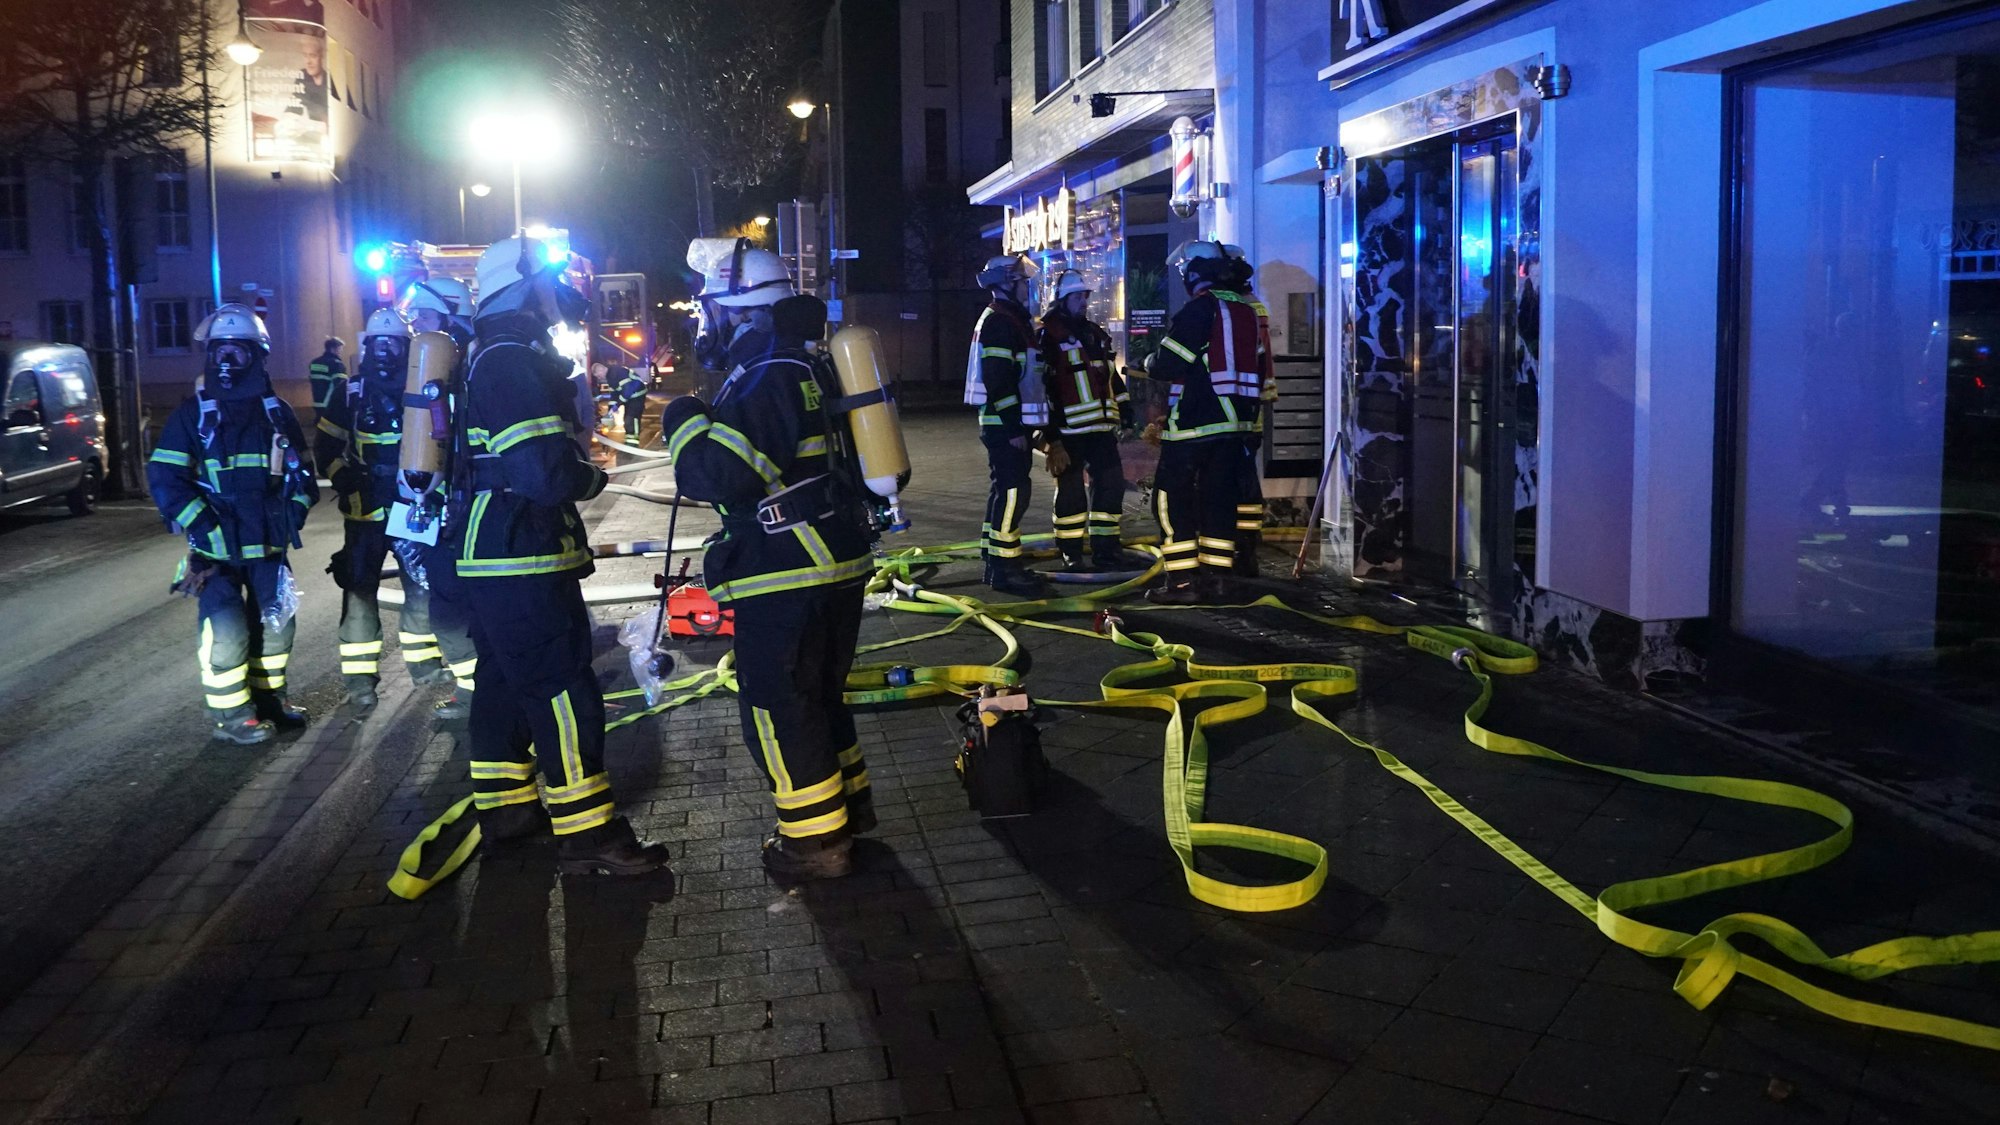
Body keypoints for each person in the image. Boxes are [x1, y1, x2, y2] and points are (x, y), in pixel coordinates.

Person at [449, 234, 670, 875]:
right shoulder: (510, 360)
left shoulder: (485, 354)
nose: (558, 298)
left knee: (500, 680)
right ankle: (589, 833)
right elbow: (542, 473)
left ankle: (508, 813)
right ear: (523, 288)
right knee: (561, 686)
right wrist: (589, 476)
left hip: (487, 554)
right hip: (521, 552)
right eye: (547, 284)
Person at [661, 293, 876, 881]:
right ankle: (847, 812)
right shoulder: (812, 365)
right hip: (833, 557)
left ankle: (814, 843)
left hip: (784, 566)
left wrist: (681, 419)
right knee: (818, 696)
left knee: (777, 702)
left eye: (713, 309)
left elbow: (716, 475)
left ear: (742, 310)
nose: (708, 323)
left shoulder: (767, 375)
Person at [146, 303, 318, 745]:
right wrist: (202, 524)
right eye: (219, 352)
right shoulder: (193, 415)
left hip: (268, 547)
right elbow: (166, 477)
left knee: (279, 628)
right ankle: (231, 716)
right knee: (227, 632)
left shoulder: (276, 412)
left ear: (257, 356)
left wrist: (292, 511)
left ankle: (270, 702)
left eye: (237, 353)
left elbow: (303, 476)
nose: (226, 362)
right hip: (215, 552)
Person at [314, 307, 451, 713]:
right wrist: (343, 477)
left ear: (407, 347)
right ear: (368, 346)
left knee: (421, 587)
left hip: (413, 506)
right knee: (358, 593)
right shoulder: (350, 393)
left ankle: (425, 668)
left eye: (394, 342)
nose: (386, 350)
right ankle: (359, 683)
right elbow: (325, 446)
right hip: (364, 511)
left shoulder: (424, 388)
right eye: (379, 342)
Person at [1143, 241, 1270, 604]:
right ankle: (1218, 580)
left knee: (1171, 501)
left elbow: (1167, 364)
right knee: (1219, 503)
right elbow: (1259, 370)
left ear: (1193, 272)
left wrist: (1151, 361)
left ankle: (1182, 584)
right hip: (1236, 429)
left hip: (1195, 427)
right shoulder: (1246, 312)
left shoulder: (1199, 311)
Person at [395, 277, 480, 721]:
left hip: (468, 506)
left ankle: (476, 693)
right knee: (446, 600)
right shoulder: (440, 364)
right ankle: (476, 688)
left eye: (425, 318)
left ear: (450, 316)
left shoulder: (470, 365)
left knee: (452, 604)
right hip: (437, 502)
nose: (417, 329)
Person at [1037, 269, 1149, 574]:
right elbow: (1042, 390)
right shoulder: (1048, 336)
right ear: (1062, 300)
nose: (1084, 302)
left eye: (1086, 296)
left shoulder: (1095, 334)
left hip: (1101, 429)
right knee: (1071, 494)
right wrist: (1052, 440)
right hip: (1068, 431)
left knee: (1110, 487)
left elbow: (1111, 378)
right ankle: (1070, 552)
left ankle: (1106, 551)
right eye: (1077, 296)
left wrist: (1125, 412)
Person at [965, 254, 1051, 597]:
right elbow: (999, 379)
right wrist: (1015, 428)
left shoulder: (1008, 318)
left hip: (1004, 422)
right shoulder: (1001, 322)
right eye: (1022, 281)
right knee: (1014, 492)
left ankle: (994, 558)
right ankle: (1005, 569)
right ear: (1005, 283)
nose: (1026, 287)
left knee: (1004, 489)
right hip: (1005, 424)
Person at [1214, 246, 1276, 576]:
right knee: (1246, 477)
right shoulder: (1252, 307)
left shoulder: (1240, 309)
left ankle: (1242, 548)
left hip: (1239, 407)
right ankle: (1247, 546)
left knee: (1237, 479)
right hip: (1249, 403)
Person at [308, 336, 345, 421]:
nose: (341, 351)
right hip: (331, 404)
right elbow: (341, 385)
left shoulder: (314, 362)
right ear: (332, 349)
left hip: (317, 403)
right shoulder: (337, 364)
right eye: (339, 349)